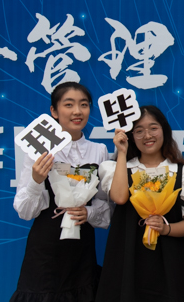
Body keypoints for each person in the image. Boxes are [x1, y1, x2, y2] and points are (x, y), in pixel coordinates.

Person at [10, 81, 110, 302]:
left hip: (81, 250)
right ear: (54, 111)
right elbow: (24, 211)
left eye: (84, 104)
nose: (77, 111)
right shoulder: (40, 148)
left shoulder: (99, 150)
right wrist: (36, 180)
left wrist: (89, 213)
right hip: (45, 247)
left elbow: (106, 203)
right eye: (69, 104)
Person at [96, 105, 184, 302]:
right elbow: (120, 197)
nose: (147, 135)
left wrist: (166, 228)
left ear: (164, 130)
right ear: (130, 136)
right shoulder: (118, 168)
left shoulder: (182, 173)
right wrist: (121, 152)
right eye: (139, 131)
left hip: (169, 261)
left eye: (153, 128)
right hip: (126, 258)